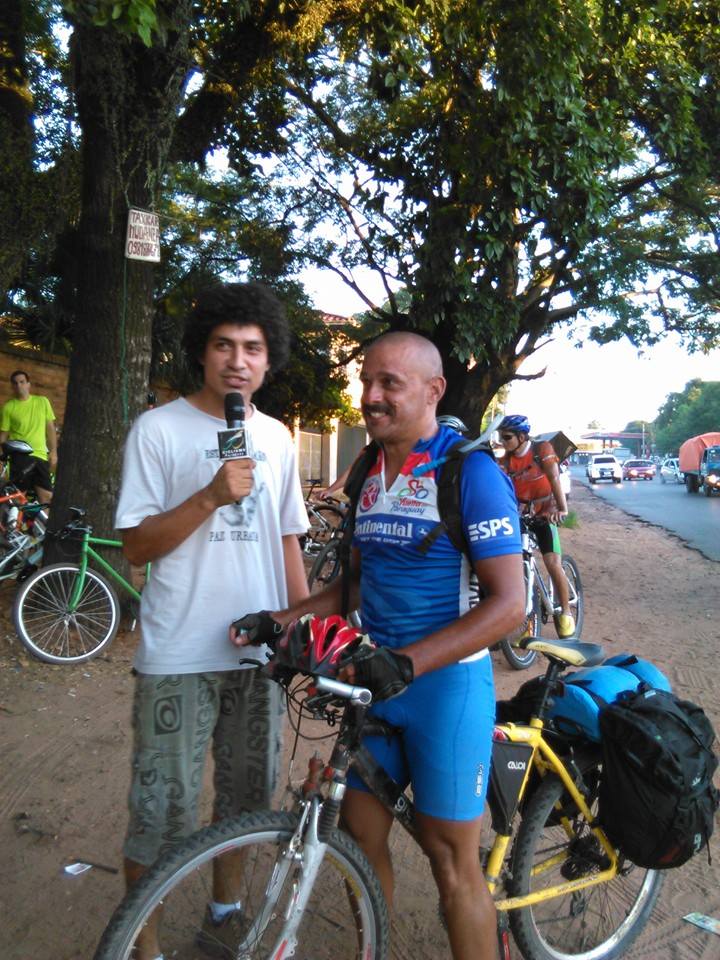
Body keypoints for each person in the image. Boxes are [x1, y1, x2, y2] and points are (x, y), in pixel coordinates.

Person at [233, 331, 526, 960]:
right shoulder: (368, 469)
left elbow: (510, 605)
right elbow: (358, 582)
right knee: (362, 844)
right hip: (374, 680)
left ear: (433, 390)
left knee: (453, 866)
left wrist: (409, 663)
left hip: (443, 687)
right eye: (367, 381)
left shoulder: (470, 473)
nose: (371, 396)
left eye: (390, 383)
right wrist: (281, 618)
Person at [114, 281, 310, 960]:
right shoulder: (158, 430)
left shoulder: (278, 437)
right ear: (202, 351)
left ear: (267, 359)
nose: (238, 360)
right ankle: (146, 946)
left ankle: (224, 910)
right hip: (177, 655)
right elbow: (135, 548)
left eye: (252, 348)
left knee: (247, 802)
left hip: (255, 655)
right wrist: (208, 494)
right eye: (224, 345)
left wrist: (302, 632)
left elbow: (288, 539)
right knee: (161, 811)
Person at [496, 414, 575, 638]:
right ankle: (528, 620)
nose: (503, 442)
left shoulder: (542, 450)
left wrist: (561, 509)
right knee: (514, 561)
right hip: (521, 514)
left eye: (507, 437)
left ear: (522, 437)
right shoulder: (506, 460)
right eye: (501, 437)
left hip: (546, 513)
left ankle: (566, 613)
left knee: (551, 562)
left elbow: (554, 479)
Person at [0, 370, 58, 503]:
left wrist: (54, 451)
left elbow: (50, 428)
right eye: (15, 383)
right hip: (20, 457)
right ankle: (16, 524)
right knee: (18, 497)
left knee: (47, 497)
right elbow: (3, 437)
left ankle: (43, 524)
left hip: (40, 456)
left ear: (28, 384)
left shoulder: (42, 402)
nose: (19, 385)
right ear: (12, 386)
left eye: (22, 382)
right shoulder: (8, 407)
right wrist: (1, 459)